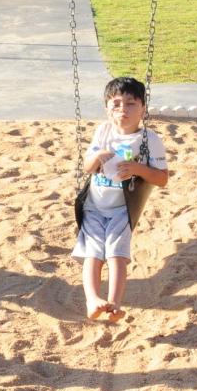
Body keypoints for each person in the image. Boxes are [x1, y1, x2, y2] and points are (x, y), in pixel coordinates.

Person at [74, 77, 169, 321]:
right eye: (115, 104)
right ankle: (93, 300)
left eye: (130, 104)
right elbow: (87, 167)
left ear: (143, 110)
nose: (122, 110)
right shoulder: (103, 132)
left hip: (123, 209)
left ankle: (115, 304)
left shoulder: (149, 140)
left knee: (116, 254)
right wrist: (98, 157)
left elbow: (161, 178)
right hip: (94, 205)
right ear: (107, 109)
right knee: (93, 254)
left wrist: (137, 170)